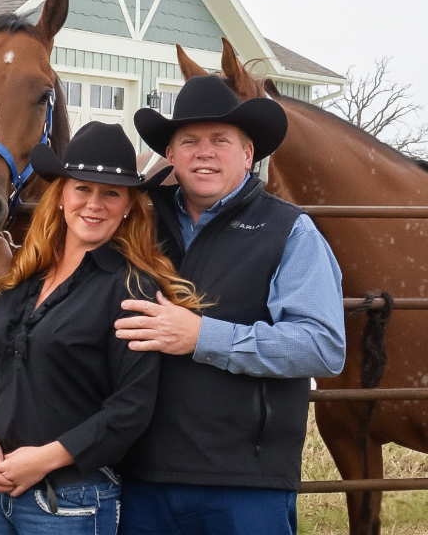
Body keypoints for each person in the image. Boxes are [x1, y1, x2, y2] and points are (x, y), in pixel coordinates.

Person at [115, 75, 346, 535]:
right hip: (142, 476)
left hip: (245, 482)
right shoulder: (137, 221)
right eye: (189, 141)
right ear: (172, 156)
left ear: (248, 154)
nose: (204, 152)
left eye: (221, 140)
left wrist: (202, 337)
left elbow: (321, 346)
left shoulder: (289, 231)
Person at [0, 121, 206, 535]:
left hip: (69, 500)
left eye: (111, 193)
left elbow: (131, 408)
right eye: (82, 189)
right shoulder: (26, 278)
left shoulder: (131, 289)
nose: (94, 204)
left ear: (128, 205)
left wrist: (44, 458)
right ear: (60, 197)